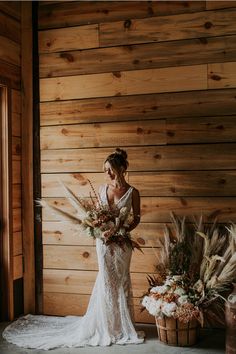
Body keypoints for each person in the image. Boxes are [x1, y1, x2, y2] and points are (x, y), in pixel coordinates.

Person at [2, 148, 145, 350]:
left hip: (122, 244)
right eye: (105, 170)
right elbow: (97, 215)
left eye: (111, 169)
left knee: (121, 281)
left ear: (122, 168)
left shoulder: (133, 192)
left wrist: (121, 230)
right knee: (106, 281)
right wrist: (101, 229)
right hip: (103, 243)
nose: (108, 174)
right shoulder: (103, 190)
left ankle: (122, 325)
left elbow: (137, 218)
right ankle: (105, 326)